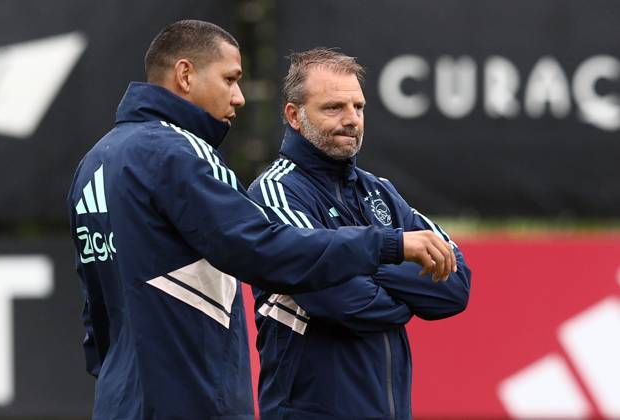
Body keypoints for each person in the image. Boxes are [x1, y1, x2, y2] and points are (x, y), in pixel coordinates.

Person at [67, 22, 457, 419]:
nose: (238, 97)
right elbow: (265, 250)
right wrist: (387, 245)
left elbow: (95, 315)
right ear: (185, 75)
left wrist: (124, 383)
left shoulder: (95, 161)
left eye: (358, 107)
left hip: (120, 402)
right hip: (191, 401)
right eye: (230, 79)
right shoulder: (180, 151)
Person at [248, 48, 472, 419]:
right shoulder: (275, 192)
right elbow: (345, 302)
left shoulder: (379, 191)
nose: (351, 119)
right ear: (294, 116)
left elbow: (454, 285)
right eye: (334, 107)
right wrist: (402, 276)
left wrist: (355, 264)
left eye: (359, 107)